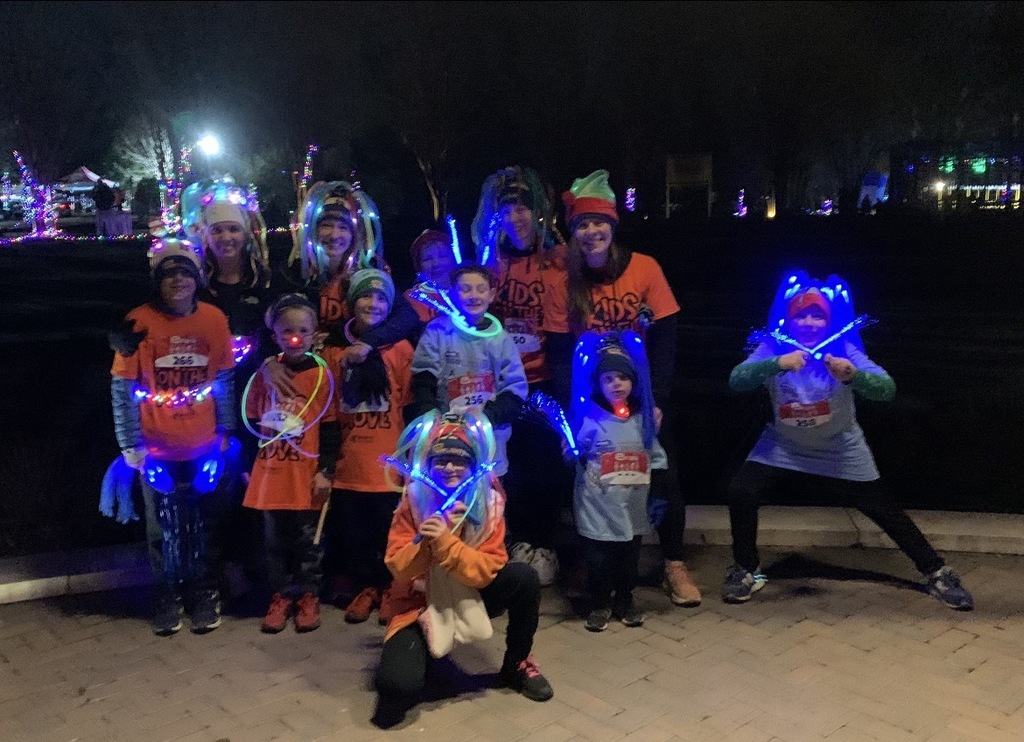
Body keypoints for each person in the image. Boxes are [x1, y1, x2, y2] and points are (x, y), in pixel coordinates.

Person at [723, 271, 974, 610]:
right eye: (801, 315)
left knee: (884, 510)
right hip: (784, 447)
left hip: (840, 448)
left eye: (817, 316)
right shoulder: (773, 345)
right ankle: (746, 569)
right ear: (789, 318)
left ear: (828, 321)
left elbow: (887, 390)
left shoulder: (844, 348)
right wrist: (775, 363)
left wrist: (853, 376)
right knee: (742, 489)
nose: (809, 322)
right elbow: (737, 380)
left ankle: (936, 571)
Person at [543, 169, 701, 607]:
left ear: (612, 225)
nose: (591, 232)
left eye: (599, 223)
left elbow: (666, 338)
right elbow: (558, 353)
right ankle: (584, 560)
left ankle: (673, 562)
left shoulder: (645, 268)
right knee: (582, 478)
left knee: (662, 474)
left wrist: (658, 401)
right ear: (573, 232)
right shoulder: (563, 281)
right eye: (581, 225)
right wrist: (570, 414)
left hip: (642, 393)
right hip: (589, 399)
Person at [374, 411, 553, 727]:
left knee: (524, 577)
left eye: (459, 460)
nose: (450, 467)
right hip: (418, 602)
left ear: (473, 464)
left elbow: (486, 570)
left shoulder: (489, 504)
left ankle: (517, 663)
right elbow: (398, 569)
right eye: (440, 460)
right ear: (428, 464)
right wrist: (426, 543)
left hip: (472, 591)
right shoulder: (412, 501)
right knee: (396, 689)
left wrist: (445, 543)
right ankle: (425, 649)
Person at [109, 238, 236, 635]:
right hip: (156, 448)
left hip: (204, 445)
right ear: (156, 281)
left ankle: (204, 590)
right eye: (169, 274)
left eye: (185, 272)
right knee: (160, 527)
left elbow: (225, 379)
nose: (178, 280)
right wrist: (131, 444)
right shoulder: (138, 322)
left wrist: (225, 432)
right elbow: (121, 388)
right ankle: (167, 593)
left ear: (198, 277)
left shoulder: (214, 319)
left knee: (205, 523)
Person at [470, 166, 569, 585]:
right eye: (507, 209)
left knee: (547, 467)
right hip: (504, 385)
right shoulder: (490, 264)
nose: (516, 217)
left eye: (524, 208)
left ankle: (545, 545)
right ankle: (515, 543)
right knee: (510, 470)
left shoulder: (558, 260)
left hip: (546, 379)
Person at [241, 294, 338, 633]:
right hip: (271, 476)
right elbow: (250, 422)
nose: (295, 337)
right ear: (275, 335)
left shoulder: (322, 376)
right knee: (273, 542)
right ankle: (279, 595)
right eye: (286, 331)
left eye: (303, 330)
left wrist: (326, 470)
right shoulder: (263, 376)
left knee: (309, 541)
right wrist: (246, 465)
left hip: (306, 476)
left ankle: (309, 595)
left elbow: (329, 427)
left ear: (315, 334)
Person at [321, 268, 414, 623]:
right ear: (350, 302)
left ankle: (390, 588)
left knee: (389, 534)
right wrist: (328, 464)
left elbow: (409, 406)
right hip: (351, 465)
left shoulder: (400, 349)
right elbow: (328, 413)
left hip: (389, 466)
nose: (372, 304)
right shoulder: (332, 352)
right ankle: (365, 588)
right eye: (365, 296)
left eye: (381, 298)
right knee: (355, 534)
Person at [569, 331, 668, 632]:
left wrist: (659, 496)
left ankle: (625, 601)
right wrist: (569, 449)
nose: (616, 384)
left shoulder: (645, 420)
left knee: (628, 559)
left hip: (632, 506)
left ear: (633, 382)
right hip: (597, 505)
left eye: (622, 378)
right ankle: (599, 603)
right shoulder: (590, 418)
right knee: (598, 561)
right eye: (608, 378)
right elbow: (576, 454)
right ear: (598, 384)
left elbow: (657, 459)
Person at [408, 264, 528, 482]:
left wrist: (486, 418)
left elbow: (515, 390)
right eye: (465, 289)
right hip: (444, 437)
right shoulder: (437, 331)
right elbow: (423, 379)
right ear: (453, 293)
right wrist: (432, 417)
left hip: (489, 439)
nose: (474, 296)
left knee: (489, 505)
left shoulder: (501, 339)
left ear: (491, 294)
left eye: (481, 289)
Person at [404, 228, 458, 325]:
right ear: (419, 265)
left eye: (442, 256)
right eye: (427, 259)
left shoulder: (465, 292)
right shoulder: (413, 297)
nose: (436, 264)